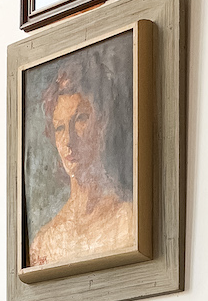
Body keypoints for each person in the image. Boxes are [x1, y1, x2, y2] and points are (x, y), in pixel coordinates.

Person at [28, 43, 134, 268]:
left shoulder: (128, 218)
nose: (68, 140)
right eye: (59, 128)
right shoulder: (43, 242)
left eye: (80, 120)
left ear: (102, 121)